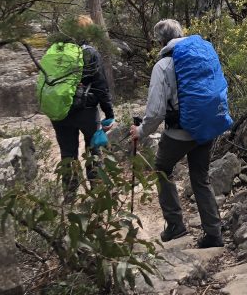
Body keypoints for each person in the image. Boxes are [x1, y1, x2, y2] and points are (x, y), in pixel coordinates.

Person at [130, 19, 224, 249]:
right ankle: (213, 233)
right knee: (200, 178)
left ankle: (175, 224)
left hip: (179, 133)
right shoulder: (203, 55)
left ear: (161, 40)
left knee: (162, 169)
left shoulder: (163, 66)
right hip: (205, 128)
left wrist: (140, 132)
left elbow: (155, 112)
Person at [50, 14, 115, 196]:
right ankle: (97, 195)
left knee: (68, 154)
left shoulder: (57, 51)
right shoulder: (89, 52)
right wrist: (109, 113)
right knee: (93, 152)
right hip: (86, 110)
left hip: (60, 110)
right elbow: (101, 86)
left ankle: (69, 196)